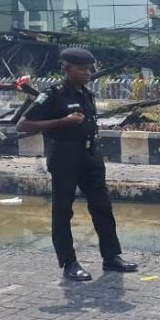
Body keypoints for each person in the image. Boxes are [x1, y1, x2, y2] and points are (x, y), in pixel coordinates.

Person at [17, 48, 137, 281]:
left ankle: (111, 257)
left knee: (102, 206)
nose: (88, 73)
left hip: (90, 156)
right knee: (63, 211)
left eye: (89, 69)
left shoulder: (86, 94)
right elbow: (23, 125)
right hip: (64, 157)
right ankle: (69, 263)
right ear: (67, 68)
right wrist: (62, 121)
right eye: (82, 69)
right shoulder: (52, 95)